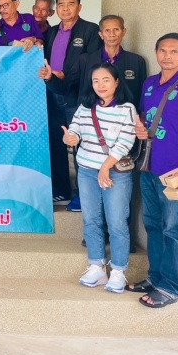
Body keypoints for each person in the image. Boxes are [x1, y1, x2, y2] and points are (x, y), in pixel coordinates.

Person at [126, 33, 178, 308]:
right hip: (148, 168)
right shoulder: (149, 84)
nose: (167, 56)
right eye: (162, 50)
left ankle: (169, 288)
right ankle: (155, 277)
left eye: (174, 51)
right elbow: (144, 118)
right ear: (156, 52)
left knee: (174, 230)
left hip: (175, 174)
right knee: (152, 225)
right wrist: (139, 128)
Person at [63, 63, 136, 293]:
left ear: (116, 82)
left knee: (117, 222)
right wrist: (70, 138)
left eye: (106, 80)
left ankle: (118, 271)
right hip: (86, 170)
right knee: (91, 220)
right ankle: (97, 267)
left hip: (115, 173)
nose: (100, 85)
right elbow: (74, 130)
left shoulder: (127, 109)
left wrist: (105, 167)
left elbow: (126, 141)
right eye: (96, 81)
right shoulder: (85, 107)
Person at [41, 0, 101, 209]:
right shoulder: (52, 31)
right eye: (61, 5)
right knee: (55, 142)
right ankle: (61, 190)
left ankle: (82, 195)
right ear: (56, 9)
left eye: (70, 4)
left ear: (79, 7)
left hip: (77, 95)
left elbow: (91, 62)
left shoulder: (90, 30)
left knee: (79, 144)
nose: (65, 9)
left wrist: (66, 75)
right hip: (52, 92)